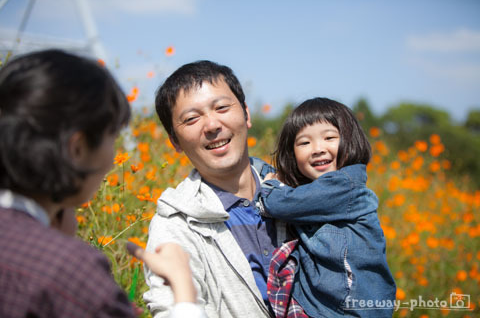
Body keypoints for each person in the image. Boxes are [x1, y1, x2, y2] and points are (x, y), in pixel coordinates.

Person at [0, 49, 205, 318]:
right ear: (77, 149)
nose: (113, 159)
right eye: (112, 137)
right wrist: (184, 291)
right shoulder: (69, 270)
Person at [144, 60, 287, 317]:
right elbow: (171, 307)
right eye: (191, 119)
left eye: (221, 107)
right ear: (175, 142)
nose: (211, 125)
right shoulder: (175, 226)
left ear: (246, 113)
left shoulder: (298, 191)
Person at [257, 97, 396, 317]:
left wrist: (269, 185)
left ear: (350, 141)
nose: (318, 149)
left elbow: (280, 204)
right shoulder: (315, 190)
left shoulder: (344, 186)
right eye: (304, 143)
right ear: (292, 153)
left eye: (329, 138)